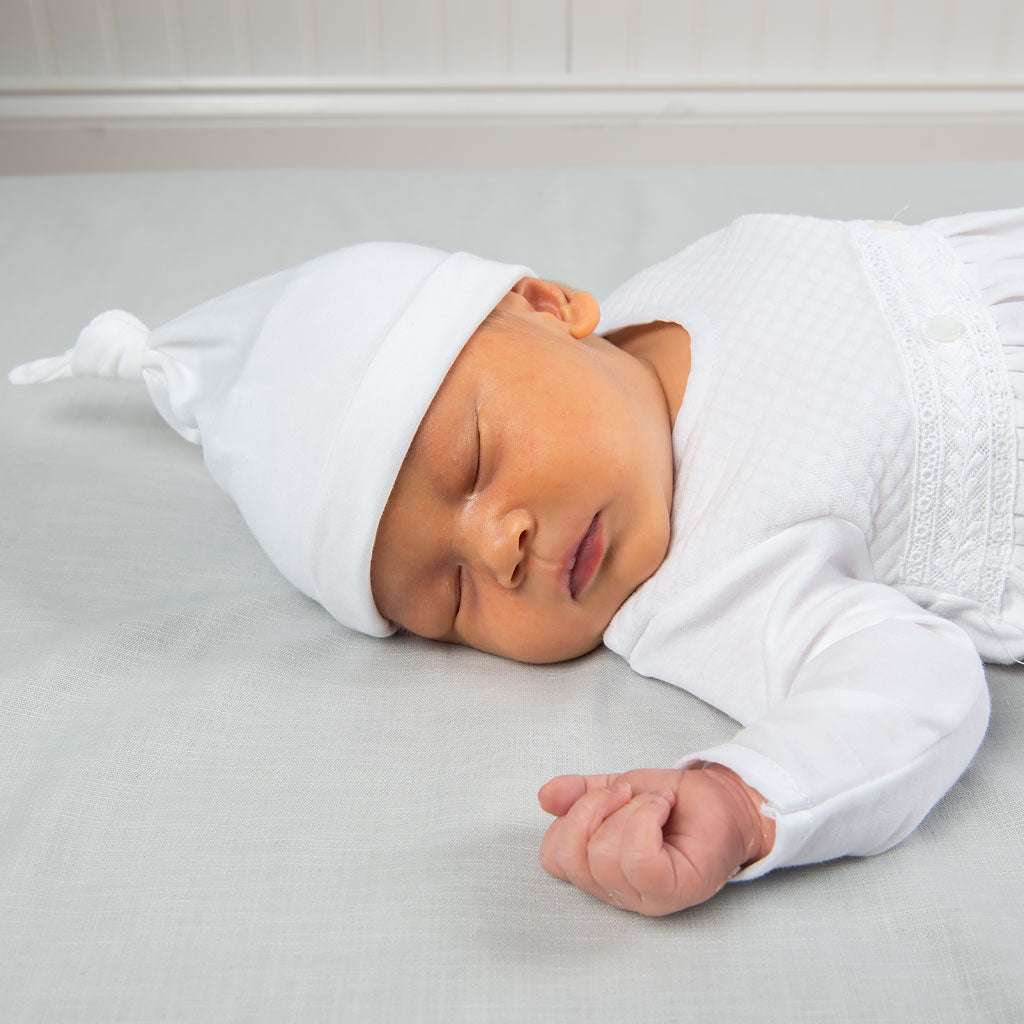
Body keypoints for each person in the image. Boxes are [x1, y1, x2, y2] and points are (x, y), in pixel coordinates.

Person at [10, 210, 1023, 916]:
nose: (498, 550)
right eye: (447, 599)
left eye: (476, 460)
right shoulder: (701, 589)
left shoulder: (692, 282)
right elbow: (912, 684)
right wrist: (742, 798)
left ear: (548, 303)